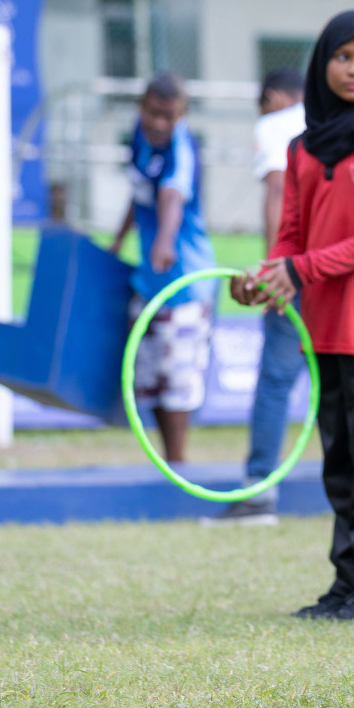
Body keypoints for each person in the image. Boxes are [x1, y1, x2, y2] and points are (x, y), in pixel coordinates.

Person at [233, 12, 354, 621]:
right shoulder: (301, 148)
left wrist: (301, 269)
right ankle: (346, 583)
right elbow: (290, 236)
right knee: (340, 463)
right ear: (323, 64)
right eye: (345, 57)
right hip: (325, 330)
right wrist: (265, 277)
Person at [205, 68, 307, 526]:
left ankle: (259, 491)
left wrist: (273, 269)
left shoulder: (275, 125)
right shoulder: (335, 120)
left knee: (275, 381)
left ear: (274, 98)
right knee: (348, 379)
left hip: (299, 269)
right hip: (342, 265)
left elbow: (277, 190)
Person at [112, 72, 217, 467]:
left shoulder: (183, 145)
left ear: (181, 115)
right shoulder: (138, 136)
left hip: (185, 280)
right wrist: (121, 238)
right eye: (154, 113)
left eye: (168, 116)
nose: (160, 123)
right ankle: (167, 461)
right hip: (149, 278)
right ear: (142, 108)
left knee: (177, 378)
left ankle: (178, 464)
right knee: (148, 376)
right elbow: (140, 192)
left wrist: (165, 240)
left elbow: (172, 195)